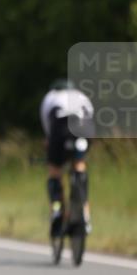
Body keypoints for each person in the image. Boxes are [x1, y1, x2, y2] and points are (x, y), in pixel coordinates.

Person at [40, 78, 95, 238]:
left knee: (55, 171)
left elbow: (48, 128)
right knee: (79, 165)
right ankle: (85, 213)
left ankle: (57, 210)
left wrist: (50, 145)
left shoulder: (50, 97)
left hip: (60, 125)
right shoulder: (81, 95)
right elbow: (91, 117)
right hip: (83, 124)